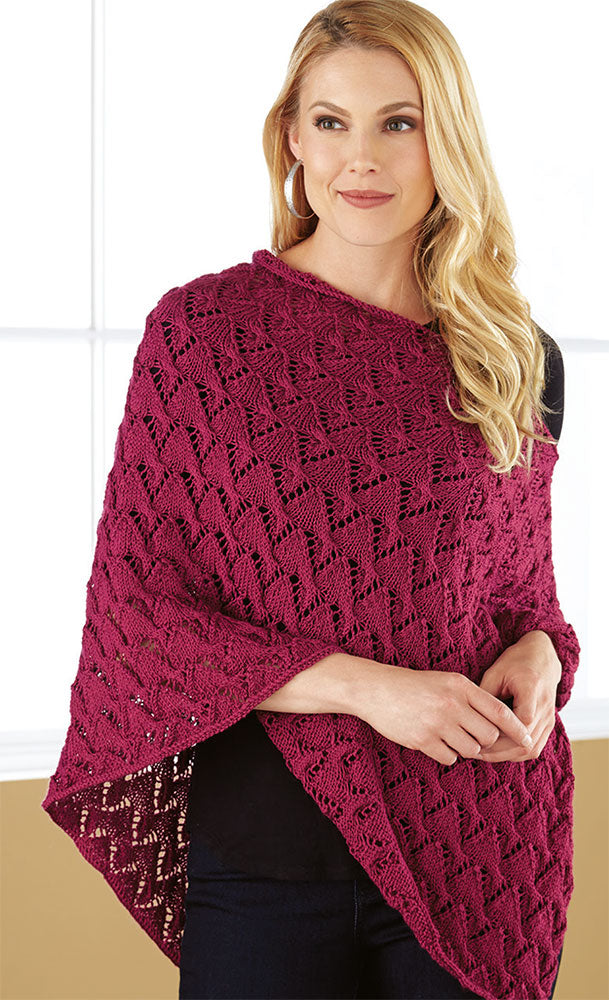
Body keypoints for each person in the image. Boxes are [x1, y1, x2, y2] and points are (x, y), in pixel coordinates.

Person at [41, 3, 579, 999]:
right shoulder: (204, 336)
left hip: (475, 838)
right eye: (331, 122)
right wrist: (370, 689)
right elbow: (138, 618)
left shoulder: (515, 355)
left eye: (399, 122)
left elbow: (521, 593)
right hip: (265, 857)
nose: (360, 158)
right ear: (291, 136)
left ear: (448, 137)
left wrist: (543, 653)